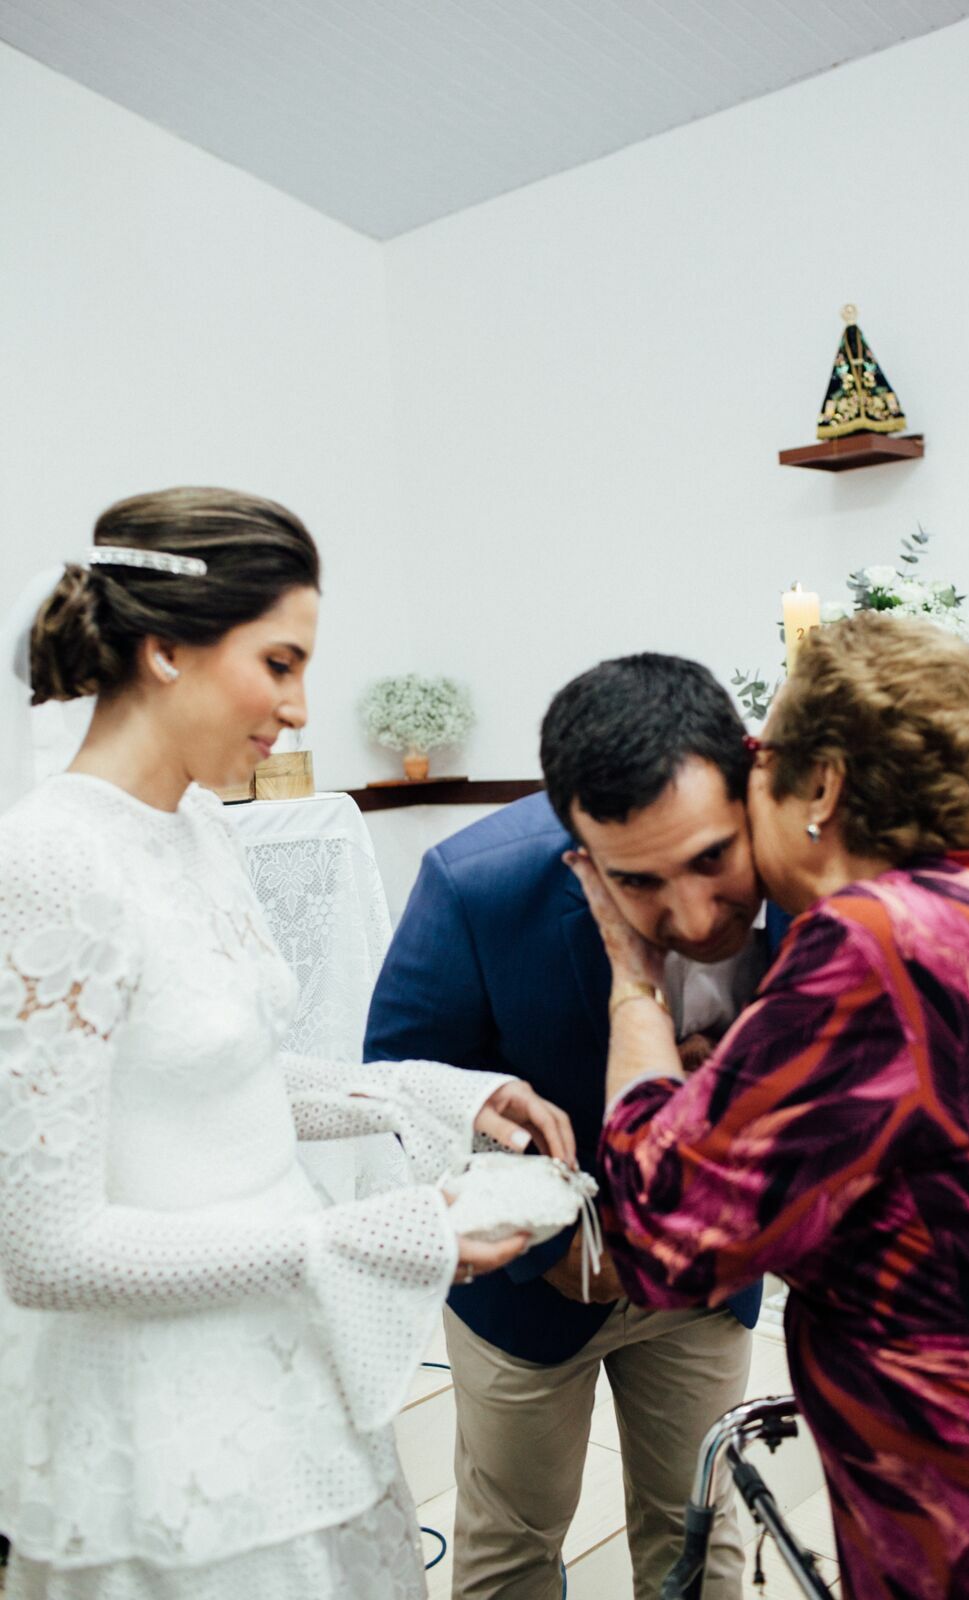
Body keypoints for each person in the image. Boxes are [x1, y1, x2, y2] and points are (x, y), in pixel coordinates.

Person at [0, 487, 575, 1600]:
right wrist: (362, 1238)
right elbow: (45, 1249)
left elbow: (235, 1083)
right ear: (164, 649)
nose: (302, 707)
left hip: (286, 1370)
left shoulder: (203, 827)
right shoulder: (53, 864)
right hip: (165, 1422)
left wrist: (434, 1096)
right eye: (279, 663)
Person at [575, 613, 969, 1600]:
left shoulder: (868, 942)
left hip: (968, 1485)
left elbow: (661, 1236)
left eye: (760, 768)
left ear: (823, 786)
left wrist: (631, 986)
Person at [365, 654, 790, 1600]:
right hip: (528, 1302)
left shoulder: (811, 871)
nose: (689, 915)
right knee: (511, 1543)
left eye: (713, 860)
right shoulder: (475, 884)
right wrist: (530, 1242)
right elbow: (400, 1082)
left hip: (703, 1291)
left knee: (702, 1535)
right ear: (577, 852)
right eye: (637, 881)